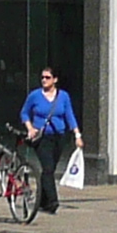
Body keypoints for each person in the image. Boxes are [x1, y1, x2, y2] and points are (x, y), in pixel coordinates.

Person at [20, 67, 80, 217]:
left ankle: (42, 201)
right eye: (42, 77)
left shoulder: (63, 96)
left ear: (55, 79)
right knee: (47, 168)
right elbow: (24, 112)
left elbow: (69, 115)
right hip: (41, 137)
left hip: (59, 137)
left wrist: (77, 135)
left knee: (50, 170)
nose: (44, 80)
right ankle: (53, 202)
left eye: (47, 77)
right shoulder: (35, 96)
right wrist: (30, 128)